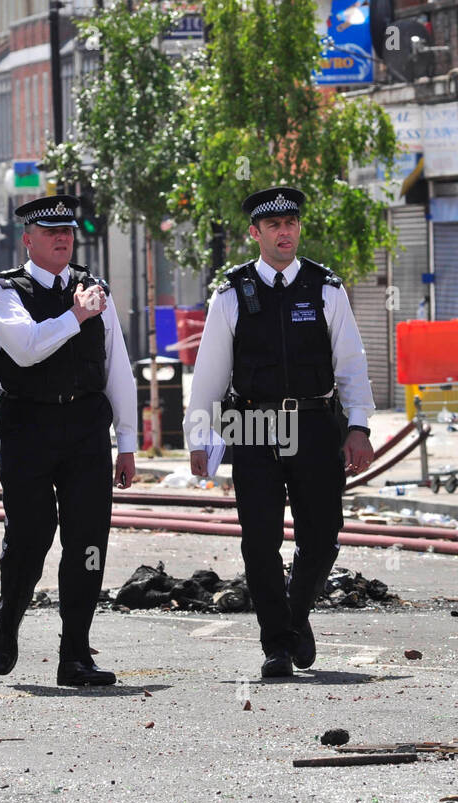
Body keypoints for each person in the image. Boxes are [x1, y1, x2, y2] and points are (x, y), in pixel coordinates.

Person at [184, 187, 375, 678]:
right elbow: (210, 372)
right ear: (256, 233)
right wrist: (199, 437)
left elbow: (351, 364)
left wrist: (358, 426)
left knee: (323, 535)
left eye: (291, 223)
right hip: (251, 425)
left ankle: (296, 613)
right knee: (260, 540)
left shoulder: (325, 287)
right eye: (274, 225)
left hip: (313, 422)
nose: (285, 232)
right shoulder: (231, 292)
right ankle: (277, 644)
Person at [0, 195, 137, 687]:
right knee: (30, 538)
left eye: (68, 232)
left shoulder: (95, 290)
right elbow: (26, 350)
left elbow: (118, 368)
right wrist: (76, 317)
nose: (63, 239)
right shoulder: (4, 291)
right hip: (30, 427)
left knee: (88, 543)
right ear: (28, 239)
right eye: (51, 233)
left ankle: (75, 655)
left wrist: (128, 443)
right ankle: (9, 621)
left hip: (86, 430)